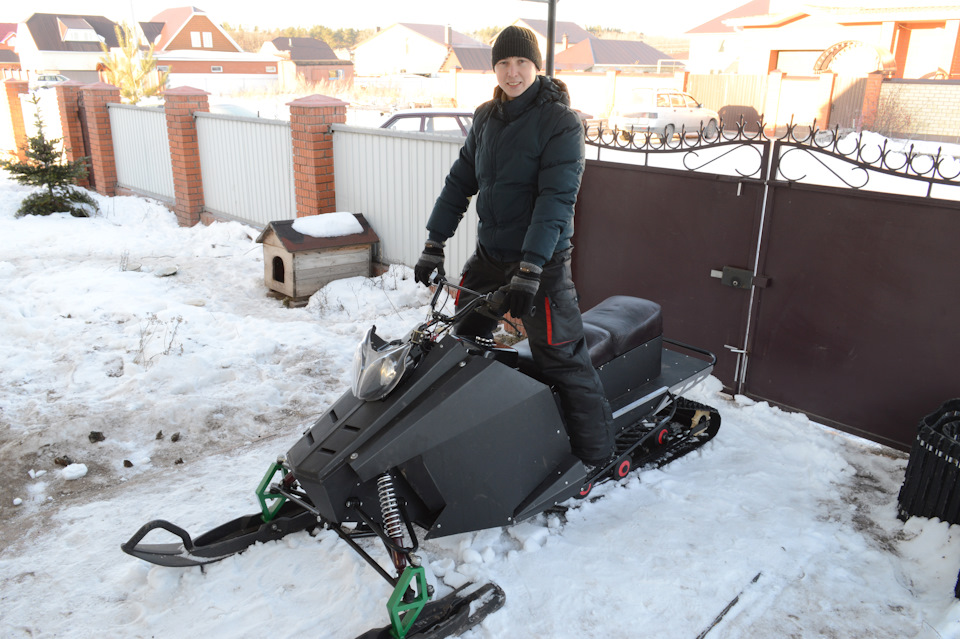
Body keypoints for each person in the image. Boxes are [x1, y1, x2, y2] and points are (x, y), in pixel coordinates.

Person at [412, 25, 615, 471]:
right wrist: (434, 242)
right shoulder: (485, 117)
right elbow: (459, 184)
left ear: (536, 66)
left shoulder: (560, 121)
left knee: (561, 358)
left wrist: (529, 270)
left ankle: (597, 460)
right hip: (488, 259)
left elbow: (556, 200)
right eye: (503, 63)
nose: (512, 72)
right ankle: (466, 437)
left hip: (542, 266)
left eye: (521, 62)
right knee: (459, 345)